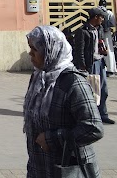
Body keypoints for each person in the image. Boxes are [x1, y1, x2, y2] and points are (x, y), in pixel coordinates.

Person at [24, 26, 103, 178]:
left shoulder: (73, 82)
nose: (30, 53)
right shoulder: (39, 78)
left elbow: (94, 128)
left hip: (68, 168)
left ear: (50, 51)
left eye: (35, 49)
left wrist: (53, 138)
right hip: (39, 167)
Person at [73, 7, 114, 124]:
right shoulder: (83, 31)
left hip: (100, 62)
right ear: (95, 17)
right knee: (93, 91)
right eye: (101, 17)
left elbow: (100, 42)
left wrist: (103, 50)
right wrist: (82, 65)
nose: (103, 20)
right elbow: (79, 50)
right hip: (90, 64)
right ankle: (92, 115)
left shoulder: (99, 29)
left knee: (103, 90)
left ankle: (103, 114)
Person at [98, 0, 117, 75]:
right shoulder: (109, 13)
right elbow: (113, 24)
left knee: (98, 50)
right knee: (109, 50)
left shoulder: (96, 11)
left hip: (97, 32)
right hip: (107, 32)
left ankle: (100, 68)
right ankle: (110, 68)